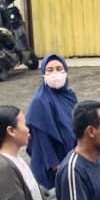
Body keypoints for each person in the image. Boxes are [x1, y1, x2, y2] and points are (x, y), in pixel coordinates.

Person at [27, 53, 78, 192]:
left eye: (59, 68)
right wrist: (58, 168)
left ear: (66, 71)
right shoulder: (40, 102)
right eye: (50, 70)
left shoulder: (69, 96)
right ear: (43, 74)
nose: (55, 73)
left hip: (71, 159)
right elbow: (42, 141)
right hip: (52, 168)